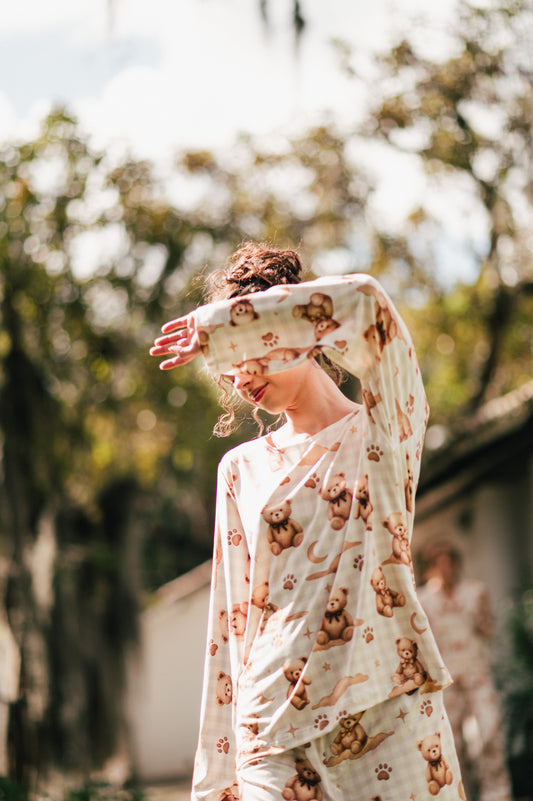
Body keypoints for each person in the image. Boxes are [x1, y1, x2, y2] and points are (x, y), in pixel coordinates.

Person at [150, 243, 465, 801]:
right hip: (271, 735)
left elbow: (368, 304)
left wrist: (224, 325)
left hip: (388, 708)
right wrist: (217, 781)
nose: (240, 379)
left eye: (249, 352)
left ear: (296, 333)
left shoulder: (382, 431)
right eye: (227, 366)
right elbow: (231, 625)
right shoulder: (240, 470)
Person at [417, 540, 512, 801]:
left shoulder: (474, 591)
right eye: (437, 561)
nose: (444, 566)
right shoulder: (423, 600)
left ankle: (497, 793)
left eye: (448, 560)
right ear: (428, 567)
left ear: (456, 563)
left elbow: (489, 629)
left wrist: (481, 616)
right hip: (446, 680)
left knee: (490, 730)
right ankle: (461, 794)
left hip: (476, 672)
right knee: (453, 743)